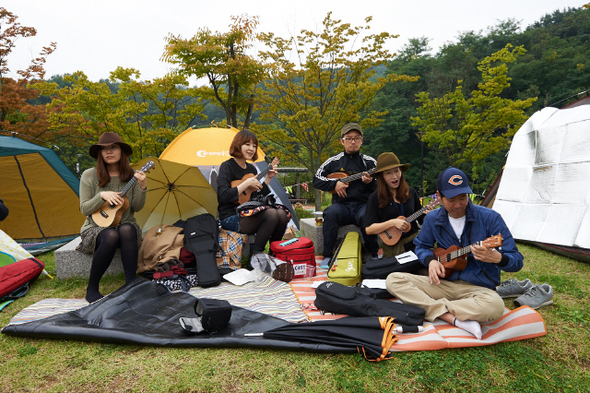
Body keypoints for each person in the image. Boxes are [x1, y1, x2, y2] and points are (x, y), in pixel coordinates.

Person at [386, 167, 524, 339]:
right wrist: (430, 261)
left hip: (478, 289)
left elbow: (517, 261)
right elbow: (420, 246)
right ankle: (452, 317)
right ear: (439, 196)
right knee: (394, 280)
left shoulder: (490, 218)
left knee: (495, 306)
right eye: (451, 199)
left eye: (463, 198)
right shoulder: (432, 218)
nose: (458, 204)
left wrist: (499, 258)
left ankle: (431, 308)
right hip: (442, 284)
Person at [77, 132, 147, 303]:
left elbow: (136, 207)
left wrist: (142, 186)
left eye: (113, 147)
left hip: (126, 226)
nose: (109, 152)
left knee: (126, 229)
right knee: (111, 235)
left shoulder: (132, 175)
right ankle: (92, 288)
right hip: (96, 228)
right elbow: (84, 209)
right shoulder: (89, 175)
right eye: (104, 149)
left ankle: (131, 284)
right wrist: (102, 196)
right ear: (100, 154)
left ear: (121, 151)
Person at [217, 130, 289, 263]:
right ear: (238, 145)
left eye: (254, 145)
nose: (251, 148)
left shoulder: (252, 169)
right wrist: (246, 184)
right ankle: (255, 256)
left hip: (248, 213)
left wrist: (267, 179)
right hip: (230, 217)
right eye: (247, 144)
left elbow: (255, 198)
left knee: (282, 214)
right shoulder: (226, 166)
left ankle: (274, 253)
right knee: (272, 214)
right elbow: (223, 196)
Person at [313, 123, 379, 267]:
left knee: (368, 214)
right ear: (342, 141)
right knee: (330, 213)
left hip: (363, 205)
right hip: (341, 205)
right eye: (349, 138)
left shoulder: (370, 162)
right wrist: (334, 184)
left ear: (362, 140)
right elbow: (316, 179)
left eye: (356, 138)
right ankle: (327, 255)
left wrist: (371, 182)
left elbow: (383, 183)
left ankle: (372, 254)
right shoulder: (333, 162)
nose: (353, 141)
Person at [364, 152, 424, 258]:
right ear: (381, 176)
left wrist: (429, 215)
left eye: (397, 171)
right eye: (388, 173)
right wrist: (392, 222)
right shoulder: (374, 198)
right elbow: (369, 229)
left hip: (414, 244)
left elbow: (421, 219)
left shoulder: (411, 192)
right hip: (392, 249)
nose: (394, 176)